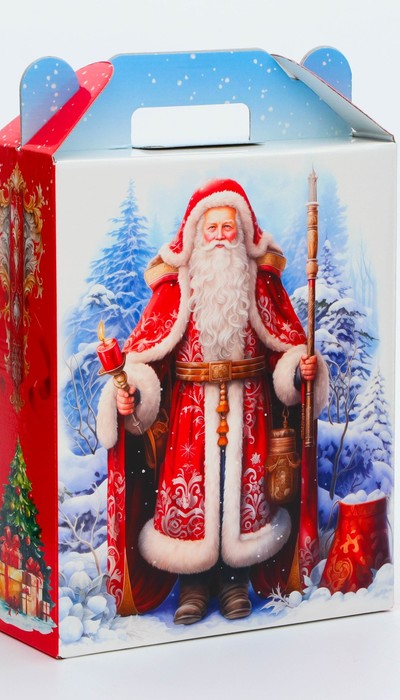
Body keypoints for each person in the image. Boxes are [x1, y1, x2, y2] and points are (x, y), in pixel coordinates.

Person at [98, 179, 327, 624]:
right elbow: (148, 355)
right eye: (212, 228)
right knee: (195, 498)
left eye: (228, 228)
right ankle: (194, 584)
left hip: (251, 411)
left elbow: (283, 348)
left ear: (242, 234)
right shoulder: (177, 286)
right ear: (196, 236)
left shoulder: (259, 283)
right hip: (190, 414)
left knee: (240, 497)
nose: (221, 238)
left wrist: (297, 371)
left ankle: (234, 581)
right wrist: (133, 394)